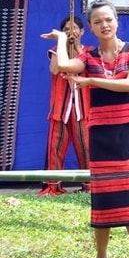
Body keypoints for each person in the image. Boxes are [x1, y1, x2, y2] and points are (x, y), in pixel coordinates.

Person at [41, 0, 129, 258]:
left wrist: (91, 81)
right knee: (102, 194)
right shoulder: (88, 56)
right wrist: (65, 37)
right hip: (100, 130)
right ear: (90, 27)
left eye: (108, 19)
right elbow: (63, 65)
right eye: (98, 21)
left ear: (117, 21)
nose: (104, 25)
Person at [39, 15, 93, 196]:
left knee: (86, 148)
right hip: (60, 108)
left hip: (83, 109)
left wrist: (76, 49)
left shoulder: (90, 52)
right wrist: (63, 46)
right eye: (66, 29)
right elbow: (55, 69)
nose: (71, 31)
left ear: (82, 31)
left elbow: (87, 69)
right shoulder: (56, 50)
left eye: (74, 28)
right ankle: (52, 187)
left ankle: (89, 187)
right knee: (55, 148)